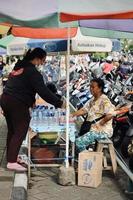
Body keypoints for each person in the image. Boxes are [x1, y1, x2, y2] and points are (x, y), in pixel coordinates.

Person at [0, 48, 65, 172]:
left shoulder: (19, 66)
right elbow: (43, 91)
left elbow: (23, 86)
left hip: (5, 99)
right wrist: (58, 102)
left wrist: (32, 100)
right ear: (38, 58)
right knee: (20, 131)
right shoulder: (32, 72)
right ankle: (12, 162)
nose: (43, 63)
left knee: (12, 131)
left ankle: (11, 158)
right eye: (43, 60)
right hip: (17, 102)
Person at [72, 78, 115, 152]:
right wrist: (71, 115)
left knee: (79, 143)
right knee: (73, 138)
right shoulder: (92, 100)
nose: (90, 89)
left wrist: (101, 123)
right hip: (92, 129)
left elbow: (110, 115)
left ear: (100, 88)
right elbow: (83, 110)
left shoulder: (105, 100)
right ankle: (83, 155)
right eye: (90, 87)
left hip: (102, 131)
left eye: (93, 87)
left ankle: (89, 159)